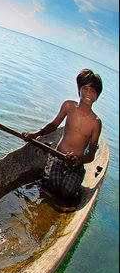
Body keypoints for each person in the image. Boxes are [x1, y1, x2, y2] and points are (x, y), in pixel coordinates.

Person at [21, 68, 103, 199]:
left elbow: (91, 155)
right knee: (51, 186)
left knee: (65, 192)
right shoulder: (69, 106)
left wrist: (79, 160)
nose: (88, 93)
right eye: (85, 88)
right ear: (79, 89)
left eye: (93, 91)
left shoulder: (96, 123)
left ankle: (75, 180)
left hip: (76, 166)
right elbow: (53, 125)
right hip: (58, 158)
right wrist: (35, 134)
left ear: (97, 96)